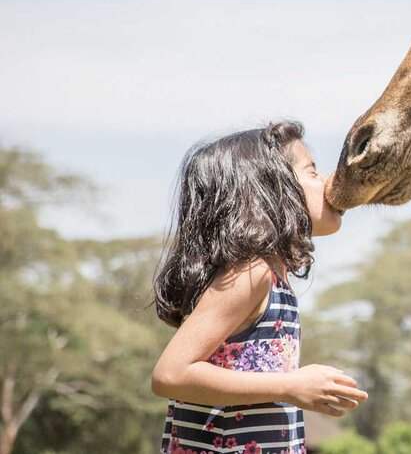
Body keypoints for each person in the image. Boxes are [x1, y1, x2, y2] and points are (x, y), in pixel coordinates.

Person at [151, 121, 366, 454]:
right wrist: (290, 385)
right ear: (271, 191)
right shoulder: (250, 275)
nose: (325, 182)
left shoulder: (274, 280)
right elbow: (171, 374)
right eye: (311, 172)